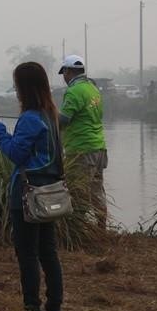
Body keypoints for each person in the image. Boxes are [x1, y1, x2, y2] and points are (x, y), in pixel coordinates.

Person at [0, 62, 64, 311]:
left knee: (27, 254)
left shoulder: (30, 118)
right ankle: (53, 309)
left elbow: (15, 154)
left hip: (28, 195)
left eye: (17, 85)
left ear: (24, 88)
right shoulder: (50, 114)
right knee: (48, 252)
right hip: (49, 193)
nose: (16, 91)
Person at [57, 54, 108, 228]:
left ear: (69, 71)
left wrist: (47, 116)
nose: (63, 77)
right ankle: (102, 229)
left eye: (64, 72)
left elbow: (63, 120)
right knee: (96, 192)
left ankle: (76, 232)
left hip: (81, 149)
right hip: (99, 148)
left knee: (77, 192)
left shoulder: (73, 91)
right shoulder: (93, 88)